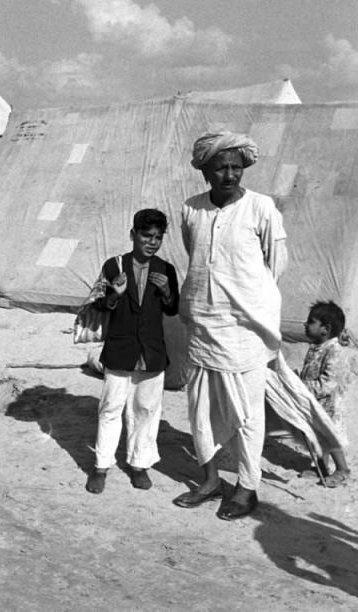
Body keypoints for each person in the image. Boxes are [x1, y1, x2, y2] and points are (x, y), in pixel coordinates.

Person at [172, 132, 287, 521]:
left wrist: (247, 299)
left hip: (245, 330)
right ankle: (209, 481)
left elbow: (276, 264)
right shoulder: (192, 209)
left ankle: (247, 487)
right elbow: (197, 255)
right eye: (220, 167)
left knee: (247, 414)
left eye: (236, 167)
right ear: (204, 170)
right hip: (203, 324)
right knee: (200, 408)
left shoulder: (261, 208)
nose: (229, 174)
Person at [85, 209, 179, 494]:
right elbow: (97, 303)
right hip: (120, 348)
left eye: (157, 237)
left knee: (147, 409)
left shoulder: (166, 270)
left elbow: (173, 308)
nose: (151, 242)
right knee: (111, 407)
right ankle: (101, 466)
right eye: (146, 236)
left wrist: (165, 293)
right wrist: (115, 294)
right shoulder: (114, 266)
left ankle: (140, 465)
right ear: (133, 235)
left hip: (151, 351)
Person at [298, 300, 351, 486]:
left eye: (311, 322)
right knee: (319, 437)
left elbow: (328, 384)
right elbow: (311, 371)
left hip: (329, 405)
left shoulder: (334, 350)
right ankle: (321, 466)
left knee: (330, 438)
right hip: (317, 403)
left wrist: (302, 386)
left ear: (325, 329)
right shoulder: (316, 347)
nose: (305, 325)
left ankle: (342, 469)